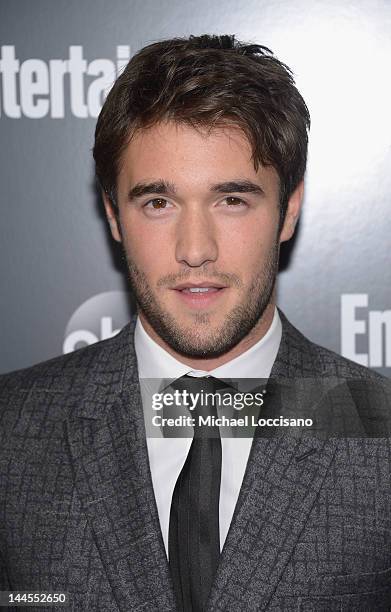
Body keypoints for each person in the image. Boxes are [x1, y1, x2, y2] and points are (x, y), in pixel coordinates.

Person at [1, 34, 391, 612]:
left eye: (232, 200)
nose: (195, 249)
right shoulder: (12, 428)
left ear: (288, 211)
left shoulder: (381, 432)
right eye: (158, 202)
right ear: (113, 214)